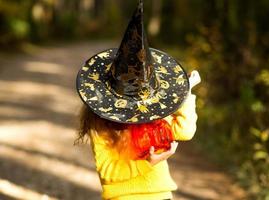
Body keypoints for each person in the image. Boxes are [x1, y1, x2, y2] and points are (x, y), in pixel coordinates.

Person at [75, 1, 200, 199]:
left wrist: (185, 94)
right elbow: (108, 171)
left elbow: (184, 131)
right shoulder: (100, 123)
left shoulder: (152, 114)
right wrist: (149, 162)